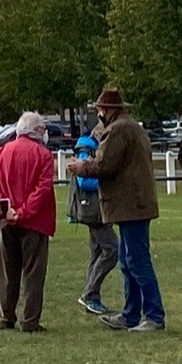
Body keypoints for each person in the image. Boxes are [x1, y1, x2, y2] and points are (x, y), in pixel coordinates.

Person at [68, 89, 166, 332]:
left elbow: (104, 164)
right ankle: (131, 314)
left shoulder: (118, 129)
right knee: (127, 260)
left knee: (137, 261)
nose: (98, 115)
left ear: (107, 110)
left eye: (100, 110)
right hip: (135, 204)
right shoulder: (131, 126)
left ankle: (154, 315)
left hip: (130, 205)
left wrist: (82, 166)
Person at [0, 111, 56, 332]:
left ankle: (6, 316)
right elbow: (42, 190)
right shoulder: (43, 155)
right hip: (34, 221)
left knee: (7, 271)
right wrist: (23, 212)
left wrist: (3, 209)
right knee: (33, 273)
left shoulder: (0, 152)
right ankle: (30, 320)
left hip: (6, 221)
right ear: (35, 131)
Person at [66, 134, 118, 315]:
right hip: (94, 211)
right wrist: (108, 180)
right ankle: (90, 294)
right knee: (111, 250)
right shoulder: (86, 150)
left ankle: (92, 296)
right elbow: (84, 180)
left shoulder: (88, 148)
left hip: (94, 210)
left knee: (97, 253)